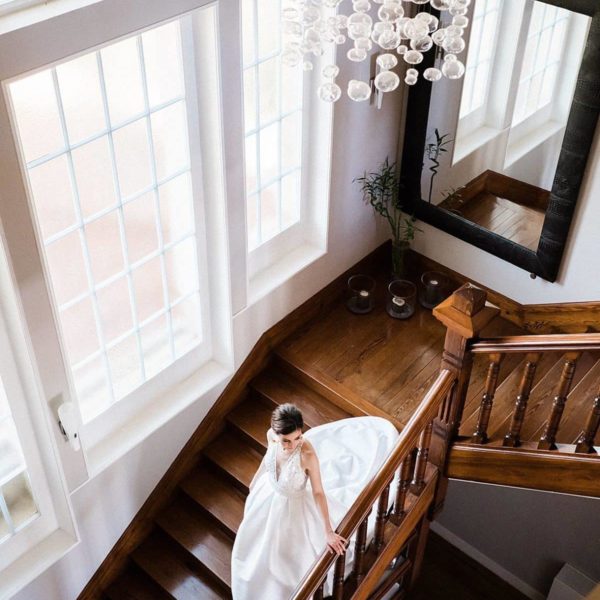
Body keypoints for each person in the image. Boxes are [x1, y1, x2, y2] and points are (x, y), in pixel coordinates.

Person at [231, 403, 399, 600]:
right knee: (257, 545)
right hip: (269, 495)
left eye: (297, 438)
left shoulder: (307, 454)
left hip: (294, 508)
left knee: (286, 559)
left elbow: (318, 492)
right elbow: (268, 455)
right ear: (276, 433)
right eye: (286, 440)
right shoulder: (272, 436)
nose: (292, 446)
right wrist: (256, 479)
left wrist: (328, 530)